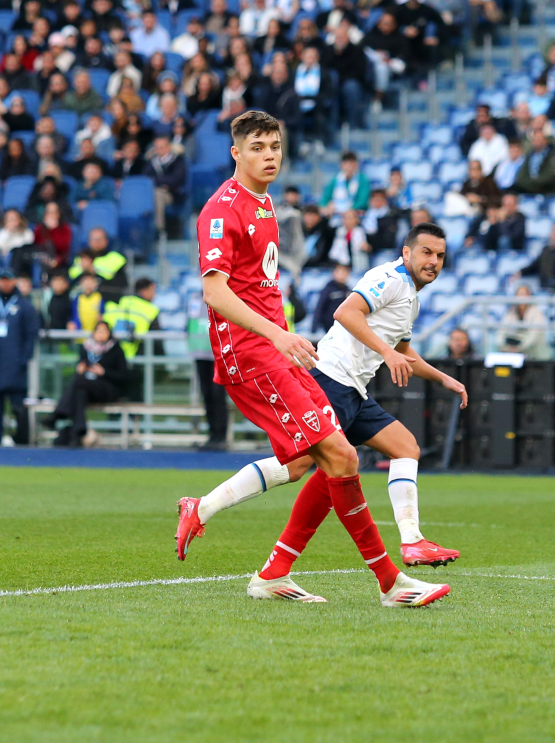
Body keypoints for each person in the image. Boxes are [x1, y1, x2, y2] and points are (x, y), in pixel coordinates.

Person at [175, 111, 449, 608]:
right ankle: (392, 583)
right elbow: (215, 292)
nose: (269, 155)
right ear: (236, 153)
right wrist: (278, 335)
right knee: (335, 458)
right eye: (257, 147)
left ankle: (269, 568)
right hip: (249, 353)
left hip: (276, 347)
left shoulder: (265, 205)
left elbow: (258, 286)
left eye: (275, 146)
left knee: (324, 460)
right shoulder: (222, 210)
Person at [183, 224, 468, 570]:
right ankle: (203, 509)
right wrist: (387, 354)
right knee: (298, 467)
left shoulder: (412, 298)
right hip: (331, 380)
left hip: (355, 391)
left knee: (405, 448)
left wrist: (442, 379)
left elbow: (402, 348)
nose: (434, 261)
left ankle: (412, 542)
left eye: (440, 256)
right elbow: (345, 313)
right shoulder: (390, 278)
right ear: (407, 253)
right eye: (426, 252)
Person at [45, 320, 130, 447]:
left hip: (107, 388)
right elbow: (81, 369)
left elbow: (124, 376)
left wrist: (104, 372)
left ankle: (58, 414)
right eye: (98, 331)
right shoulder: (86, 348)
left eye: (104, 331)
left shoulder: (116, 350)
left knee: (79, 383)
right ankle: (78, 431)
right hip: (86, 388)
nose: (100, 334)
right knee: (80, 391)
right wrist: (80, 371)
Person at [0, 267, 40, 445]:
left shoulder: (25, 307)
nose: (5, 283)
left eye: (8, 279)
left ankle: (22, 442)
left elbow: (31, 336)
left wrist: (23, 359)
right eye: (2, 279)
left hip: (14, 367)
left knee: (19, 409)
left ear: (14, 281)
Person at [186, 293, 230, 451]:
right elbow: (190, 324)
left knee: (218, 395)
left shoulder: (223, 296)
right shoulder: (195, 298)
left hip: (218, 355)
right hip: (200, 353)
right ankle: (212, 435)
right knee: (207, 395)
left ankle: (220, 436)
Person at [499, 284, 552, 360]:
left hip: (534, 355)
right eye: (519, 294)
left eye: (524, 294)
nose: (521, 297)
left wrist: (519, 348)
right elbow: (501, 332)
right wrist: (506, 347)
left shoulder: (537, 313)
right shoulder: (511, 312)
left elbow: (533, 336)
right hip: (513, 352)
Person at [313, 262, 352, 333]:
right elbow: (319, 308)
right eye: (340, 272)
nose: (342, 275)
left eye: (345, 272)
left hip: (344, 327)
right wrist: (314, 328)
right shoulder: (328, 289)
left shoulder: (348, 291)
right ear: (334, 273)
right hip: (329, 327)